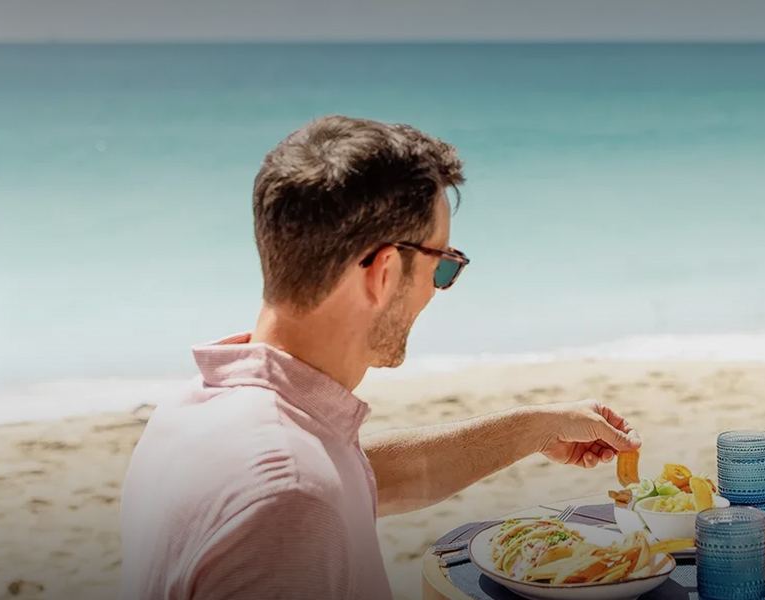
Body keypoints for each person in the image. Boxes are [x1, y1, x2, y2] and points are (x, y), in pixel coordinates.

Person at [118, 115, 642, 600]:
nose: (441, 289)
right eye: (443, 265)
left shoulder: (195, 415)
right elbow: (306, 492)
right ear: (384, 273)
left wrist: (536, 429)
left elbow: (361, 475)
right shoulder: (291, 496)